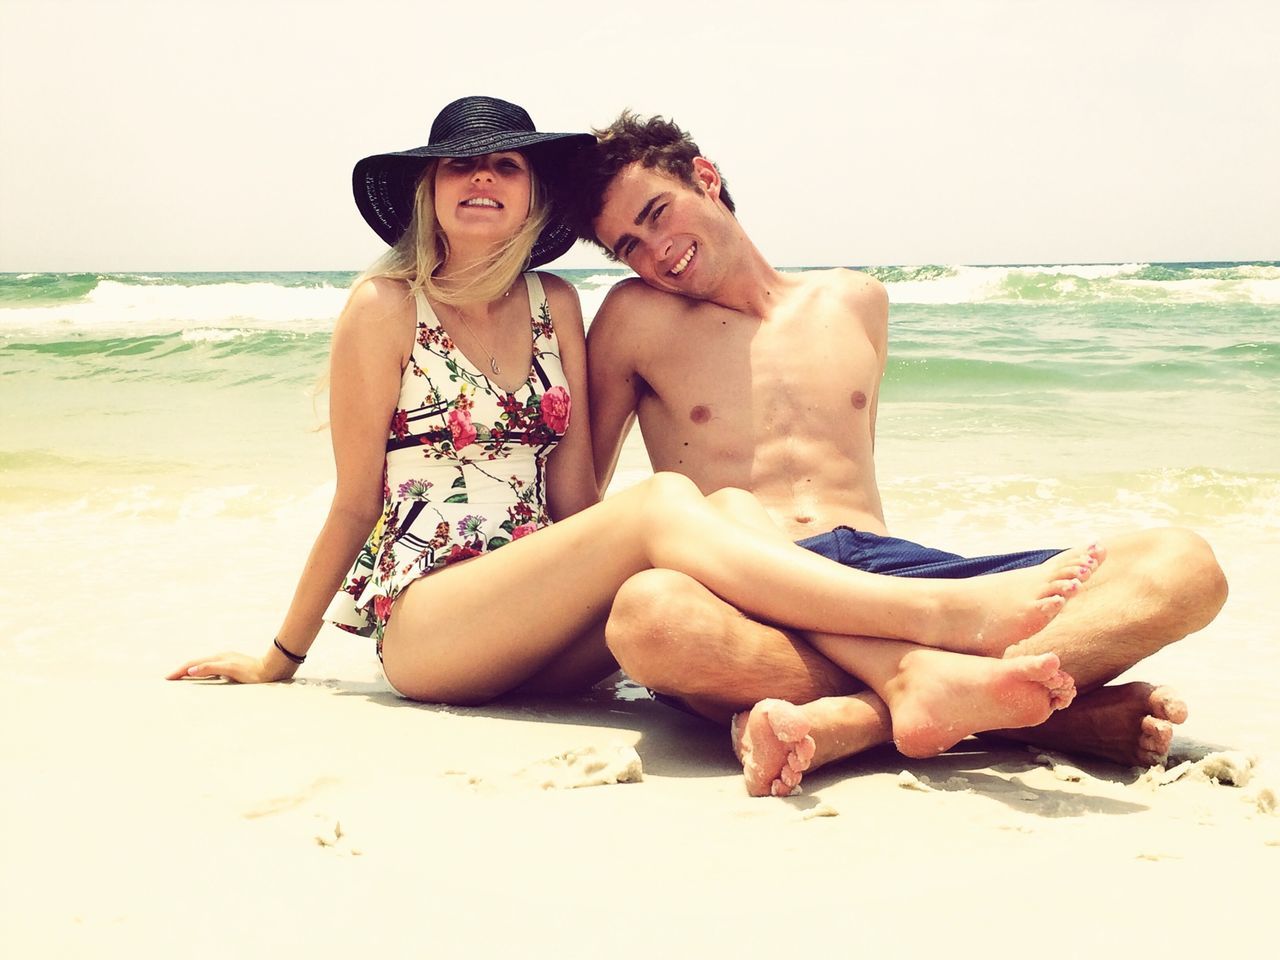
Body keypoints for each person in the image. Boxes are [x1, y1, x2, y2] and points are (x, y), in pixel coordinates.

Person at [166, 96, 1100, 760]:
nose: (482, 177)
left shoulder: (557, 306)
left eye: (506, 164)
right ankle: (937, 626)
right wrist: (277, 658)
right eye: (461, 164)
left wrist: (690, 539)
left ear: (531, 197)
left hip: (551, 625)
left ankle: (914, 687)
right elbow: (353, 500)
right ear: (430, 191)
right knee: (672, 497)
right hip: (435, 623)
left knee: (715, 507)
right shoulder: (384, 307)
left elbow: (576, 501)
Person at [566, 111, 1229, 796]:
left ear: (705, 179)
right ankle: (1010, 709)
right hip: (744, 584)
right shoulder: (632, 318)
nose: (656, 251)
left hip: (886, 578)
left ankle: (861, 720)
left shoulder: (857, 300)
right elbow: (586, 498)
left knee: (1182, 567)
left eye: (656, 213)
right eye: (629, 245)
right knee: (649, 617)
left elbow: (851, 471)